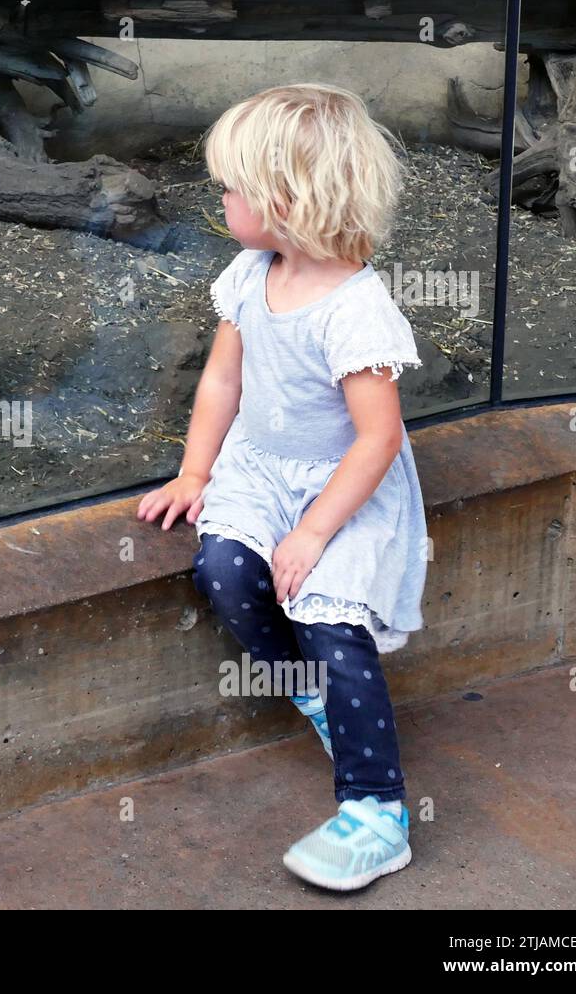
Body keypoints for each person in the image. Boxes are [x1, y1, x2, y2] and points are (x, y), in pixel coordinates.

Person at [137, 83, 427, 891]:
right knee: (225, 572)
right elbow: (222, 383)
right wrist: (197, 470)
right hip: (260, 471)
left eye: (232, 188)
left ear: (287, 200)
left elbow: (379, 438)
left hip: (343, 489)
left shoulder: (356, 309)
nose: (221, 197)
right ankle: (311, 696)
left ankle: (378, 811)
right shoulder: (247, 273)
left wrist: (314, 533)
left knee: (332, 622)